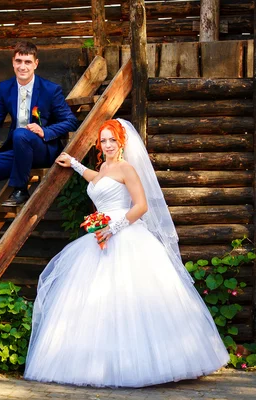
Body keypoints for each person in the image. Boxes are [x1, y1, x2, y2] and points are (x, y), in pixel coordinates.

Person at [23, 119, 229, 387]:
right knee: (95, 301)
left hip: (125, 233)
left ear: (122, 142)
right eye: (104, 140)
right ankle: (99, 365)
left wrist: (113, 228)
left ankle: (151, 364)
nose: (107, 145)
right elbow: (97, 182)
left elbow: (141, 205)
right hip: (100, 237)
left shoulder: (127, 168)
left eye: (112, 140)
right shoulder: (105, 167)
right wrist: (74, 164)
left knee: (131, 299)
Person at [0, 42, 79, 254]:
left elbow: (70, 121)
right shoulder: (6, 88)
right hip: (17, 151)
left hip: (42, 150)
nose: (23, 66)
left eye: (27, 62)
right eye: (19, 61)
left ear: (35, 64)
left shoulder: (50, 90)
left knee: (21, 133)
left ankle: (21, 189)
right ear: (13, 63)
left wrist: (44, 131)